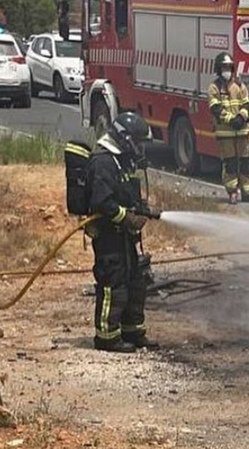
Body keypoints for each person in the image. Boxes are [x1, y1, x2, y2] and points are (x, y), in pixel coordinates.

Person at [87, 112, 161, 353]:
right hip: (110, 236)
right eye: (138, 142)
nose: (140, 148)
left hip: (125, 236)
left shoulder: (122, 160)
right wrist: (127, 218)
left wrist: (141, 210)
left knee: (135, 282)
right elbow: (102, 202)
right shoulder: (103, 161)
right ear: (125, 138)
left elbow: (125, 194)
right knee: (113, 284)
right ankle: (107, 337)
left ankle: (133, 331)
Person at [208, 53, 249, 205]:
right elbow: (215, 108)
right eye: (224, 67)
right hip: (226, 133)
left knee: (245, 164)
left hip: (242, 132)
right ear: (218, 68)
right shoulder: (214, 87)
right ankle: (232, 193)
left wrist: (241, 117)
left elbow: (246, 104)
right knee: (230, 164)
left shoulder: (240, 85)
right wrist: (231, 120)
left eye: (229, 67)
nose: (227, 70)